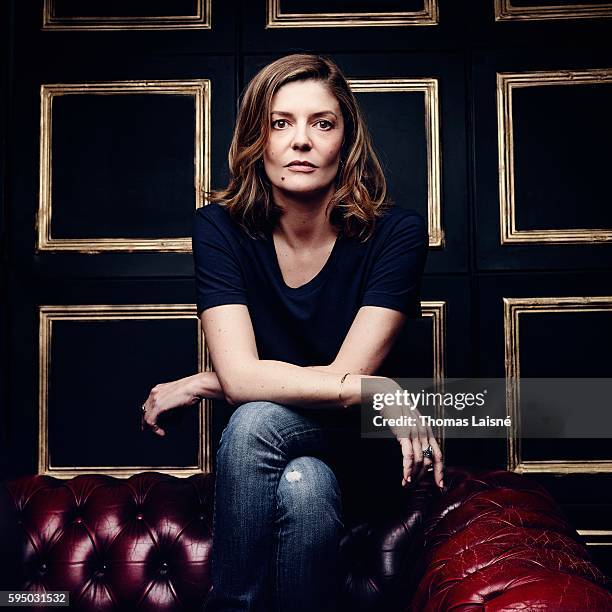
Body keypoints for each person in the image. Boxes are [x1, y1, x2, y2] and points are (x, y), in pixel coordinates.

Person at [141, 53, 444, 612]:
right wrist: (233, 379)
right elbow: (324, 382)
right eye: (282, 122)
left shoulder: (396, 233)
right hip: (279, 459)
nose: (301, 141)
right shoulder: (219, 228)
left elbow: (345, 381)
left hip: (360, 449)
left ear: (346, 141)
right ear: (259, 137)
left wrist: (216, 383)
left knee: (254, 416)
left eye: (322, 123)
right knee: (303, 486)